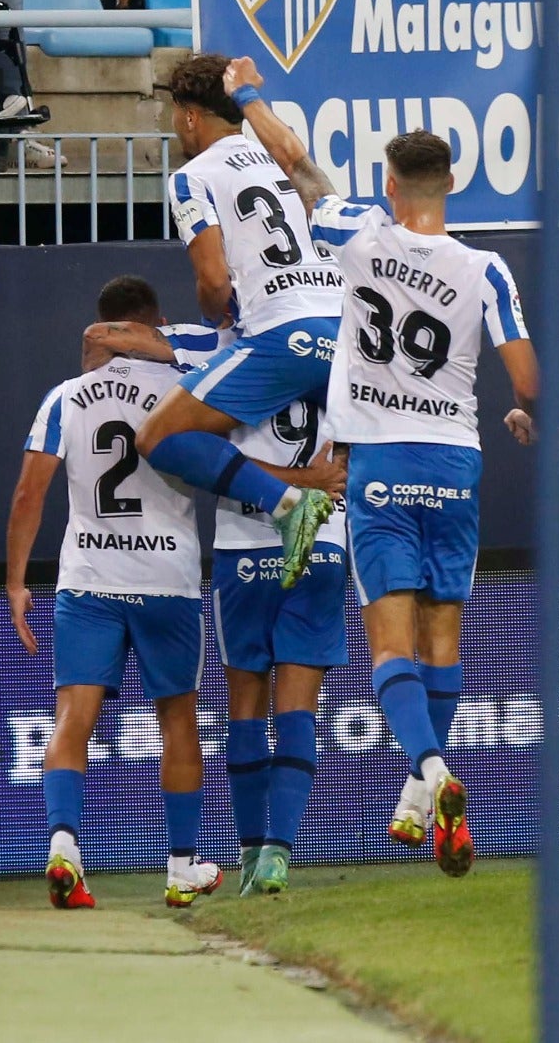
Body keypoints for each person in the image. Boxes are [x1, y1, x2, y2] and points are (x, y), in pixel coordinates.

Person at [222, 55, 539, 879]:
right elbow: (528, 375)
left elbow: (296, 163)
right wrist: (523, 408)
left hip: (383, 461)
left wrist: (250, 96)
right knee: (445, 636)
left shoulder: (358, 231)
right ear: (451, 184)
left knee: (389, 642)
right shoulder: (486, 266)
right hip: (457, 458)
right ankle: (415, 791)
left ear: (391, 184)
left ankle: (432, 773)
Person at [85, 277, 352, 898]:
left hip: (242, 539)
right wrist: (311, 478)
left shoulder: (213, 347)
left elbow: (101, 336)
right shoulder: (342, 343)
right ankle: (279, 853)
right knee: (298, 707)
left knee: (246, 707)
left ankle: (251, 852)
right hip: (326, 532)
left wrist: (136, 359)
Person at [5, 284, 223, 910]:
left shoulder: (65, 397)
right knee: (178, 720)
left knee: (73, 718)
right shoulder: (187, 392)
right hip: (167, 581)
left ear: (100, 328)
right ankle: (183, 866)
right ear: (157, 324)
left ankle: (65, 849)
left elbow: (29, 494)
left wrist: (18, 581)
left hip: (89, 582)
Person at [134, 53, 343, 591]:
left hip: (287, 334)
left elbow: (214, 281)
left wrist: (217, 312)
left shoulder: (191, 178)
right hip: (350, 335)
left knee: (160, 436)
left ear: (187, 115)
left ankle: (289, 501)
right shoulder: (281, 155)